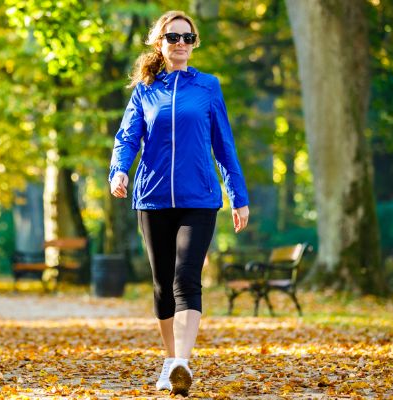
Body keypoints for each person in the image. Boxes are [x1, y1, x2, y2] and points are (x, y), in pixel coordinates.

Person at [108, 10, 250, 397]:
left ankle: (182, 362)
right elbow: (127, 138)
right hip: (152, 199)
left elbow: (224, 145)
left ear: (194, 43)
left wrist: (238, 196)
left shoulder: (207, 87)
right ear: (160, 43)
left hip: (200, 198)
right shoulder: (144, 90)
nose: (182, 44)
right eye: (174, 38)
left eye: (188, 38)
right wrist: (119, 171)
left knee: (186, 277)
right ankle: (170, 360)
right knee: (162, 285)